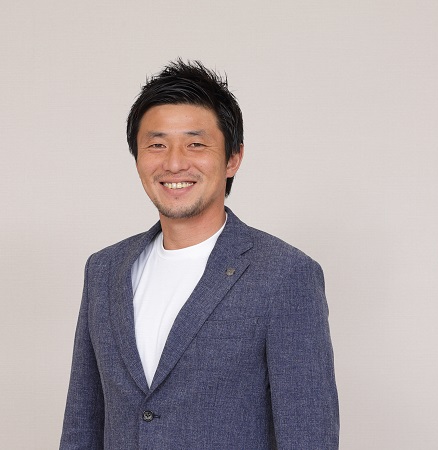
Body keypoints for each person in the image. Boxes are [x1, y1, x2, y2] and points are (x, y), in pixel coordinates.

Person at [60, 60, 339, 449]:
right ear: (137, 157)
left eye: (195, 144)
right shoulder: (104, 270)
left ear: (232, 158)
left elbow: (308, 435)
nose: (174, 162)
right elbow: (82, 424)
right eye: (157, 144)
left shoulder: (284, 275)